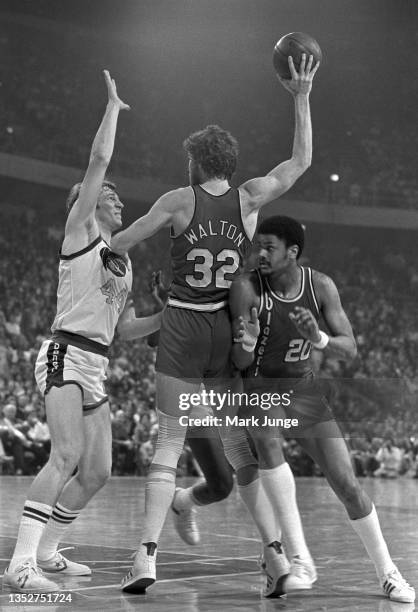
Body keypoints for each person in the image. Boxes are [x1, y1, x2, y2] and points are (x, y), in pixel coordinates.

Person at [116, 53, 320, 593]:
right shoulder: (249, 199)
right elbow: (299, 161)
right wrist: (300, 96)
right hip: (224, 333)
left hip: (183, 327)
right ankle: (275, 557)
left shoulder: (179, 200)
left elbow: (123, 241)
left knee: (168, 441)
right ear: (227, 165)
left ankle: (146, 557)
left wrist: (95, 257)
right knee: (238, 447)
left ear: (196, 163)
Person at [3, 71, 161, 593]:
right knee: (65, 455)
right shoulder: (82, 233)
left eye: (117, 198)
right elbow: (98, 163)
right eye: (109, 196)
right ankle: (21, 565)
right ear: (87, 205)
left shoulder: (124, 260)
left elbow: (126, 329)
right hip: (64, 351)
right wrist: (113, 108)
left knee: (98, 472)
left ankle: (47, 553)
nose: (117, 201)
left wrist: (172, 315)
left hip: (97, 359)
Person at [228, 215, 415, 604]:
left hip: (304, 390)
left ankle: (388, 572)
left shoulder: (321, 286)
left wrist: (318, 336)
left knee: (348, 484)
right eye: (258, 245)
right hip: (261, 387)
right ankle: (301, 560)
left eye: (269, 247)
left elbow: (350, 349)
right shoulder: (246, 287)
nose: (260, 253)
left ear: (292, 252)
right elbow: (241, 361)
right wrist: (245, 344)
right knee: (267, 439)